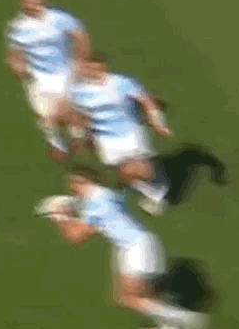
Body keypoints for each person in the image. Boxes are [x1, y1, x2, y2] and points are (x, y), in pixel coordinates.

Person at [39, 166, 208, 329]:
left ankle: (187, 319)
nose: (72, 188)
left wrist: (58, 215)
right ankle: (172, 327)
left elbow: (76, 237)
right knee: (143, 295)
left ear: (86, 180)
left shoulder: (96, 203)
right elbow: (99, 224)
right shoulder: (105, 196)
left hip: (136, 247)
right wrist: (71, 214)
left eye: (74, 183)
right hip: (132, 246)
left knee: (129, 298)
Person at [65, 52, 171, 215]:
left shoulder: (122, 83)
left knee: (139, 169)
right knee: (124, 172)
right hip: (105, 141)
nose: (93, 71)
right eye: (89, 68)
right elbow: (77, 115)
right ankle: (155, 192)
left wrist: (158, 123)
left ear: (104, 67)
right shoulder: (79, 92)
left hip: (131, 134)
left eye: (96, 67)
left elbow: (146, 101)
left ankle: (159, 189)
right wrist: (80, 135)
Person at [5, 0, 91, 161]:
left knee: (67, 111)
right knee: (45, 115)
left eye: (33, 2)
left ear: (42, 2)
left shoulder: (59, 18)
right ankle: (57, 144)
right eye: (26, 2)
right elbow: (14, 51)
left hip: (65, 73)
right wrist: (16, 65)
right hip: (37, 77)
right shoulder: (18, 27)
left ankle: (79, 137)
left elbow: (80, 35)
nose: (29, 6)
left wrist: (82, 60)